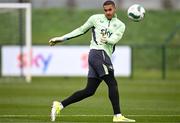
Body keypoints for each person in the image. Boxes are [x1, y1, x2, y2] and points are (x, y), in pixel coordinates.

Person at [49, 0, 135, 122]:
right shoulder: (95, 19)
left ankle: (60, 105)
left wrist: (108, 40)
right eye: (105, 10)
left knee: (89, 91)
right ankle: (117, 116)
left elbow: (116, 38)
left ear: (115, 9)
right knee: (112, 83)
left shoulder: (120, 25)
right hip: (98, 53)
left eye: (110, 10)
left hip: (99, 56)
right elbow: (80, 30)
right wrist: (62, 39)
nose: (107, 12)